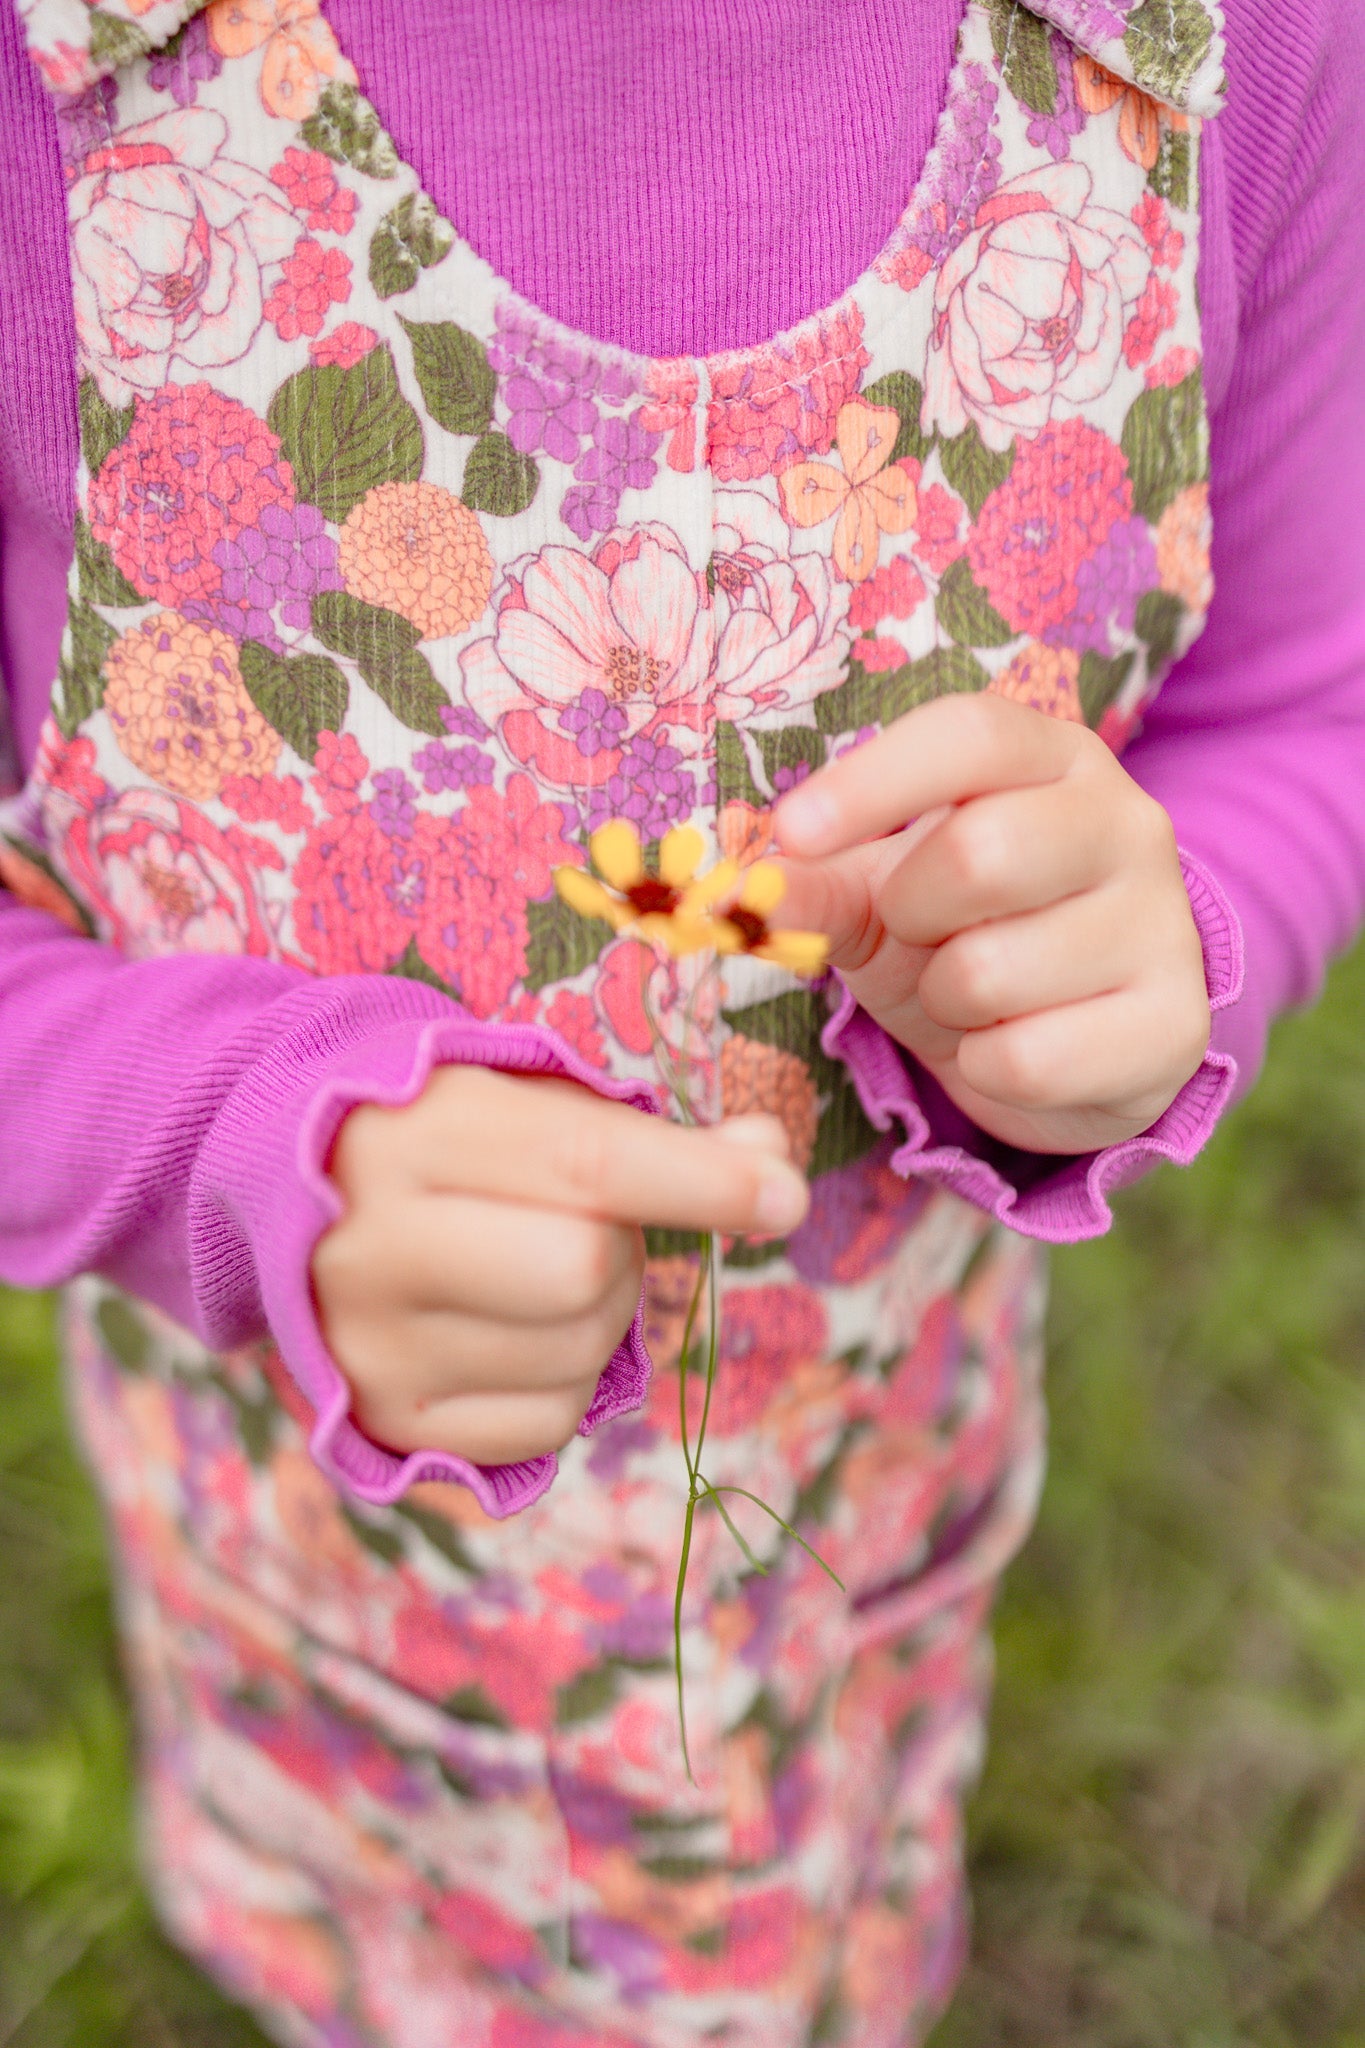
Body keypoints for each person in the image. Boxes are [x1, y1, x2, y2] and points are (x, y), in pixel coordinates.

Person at [0, 0, 1361, 2039]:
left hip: (853, 1538)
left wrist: (1173, 923)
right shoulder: (69, 94)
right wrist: (213, 1139)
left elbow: (1298, 704)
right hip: (308, 1603)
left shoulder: (1224, 49)